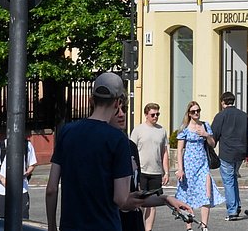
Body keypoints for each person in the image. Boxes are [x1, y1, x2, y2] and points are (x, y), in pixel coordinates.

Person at [46, 70, 178, 231]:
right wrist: (162, 199)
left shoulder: (67, 131)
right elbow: (121, 199)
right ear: (117, 103)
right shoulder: (118, 140)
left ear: (91, 100)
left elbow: (52, 189)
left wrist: (52, 226)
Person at [175, 102, 223, 229]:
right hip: (188, 166)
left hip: (203, 165)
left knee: (206, 194)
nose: (196, 113)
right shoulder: (184, 128)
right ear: (189, 114)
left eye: (198, 110)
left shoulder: (205, 125)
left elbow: (212, 144)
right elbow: (179, 150)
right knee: (187, 196)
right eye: (193, 111)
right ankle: (189, 226)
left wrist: (206, 135)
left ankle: (204, 225)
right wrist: (180, 169)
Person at [210, 92, 248, 222]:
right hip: (240, 152)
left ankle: (232, 210)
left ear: (222, 102)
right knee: (233, 178)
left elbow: (214, 135)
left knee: (228, 181)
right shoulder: (243, 115)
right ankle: (237, 205)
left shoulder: (220, 116)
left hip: (227, 152)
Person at [132, 104, 170, 231]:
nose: (155, 117)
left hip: (156, 171)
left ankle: (149, 229)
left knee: (152, 204)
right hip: (141, 170)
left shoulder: (162, 131)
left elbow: (164, 152)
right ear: (146, 115)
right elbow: (132, 151)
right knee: (141, 202)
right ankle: (139, 227)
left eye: (157, 114)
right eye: (153, 114)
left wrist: (166, 172)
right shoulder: (138, 130)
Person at [0, 130, 37, 220]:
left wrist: (25, 174)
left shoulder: (27, 146)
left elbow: (32, 164)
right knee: (3, 219)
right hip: (3, 190)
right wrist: (2, 178)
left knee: (24, 219)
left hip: (22, 189)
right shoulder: (1, 146)